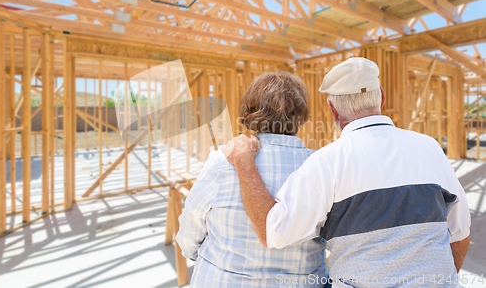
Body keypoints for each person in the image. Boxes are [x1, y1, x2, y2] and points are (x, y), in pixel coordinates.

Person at [222, 58, 471, 288]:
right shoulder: (429, 147)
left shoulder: (325, 162)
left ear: (332, 109)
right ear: (381, 98)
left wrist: (245, 162)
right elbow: (459, 236)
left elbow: (272, 232)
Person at [177, 72, 328, 287]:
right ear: (302, 114)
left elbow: (190, 232)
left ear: (250, 110)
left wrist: (204, 259)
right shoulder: (322, 167)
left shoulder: (223, 162)